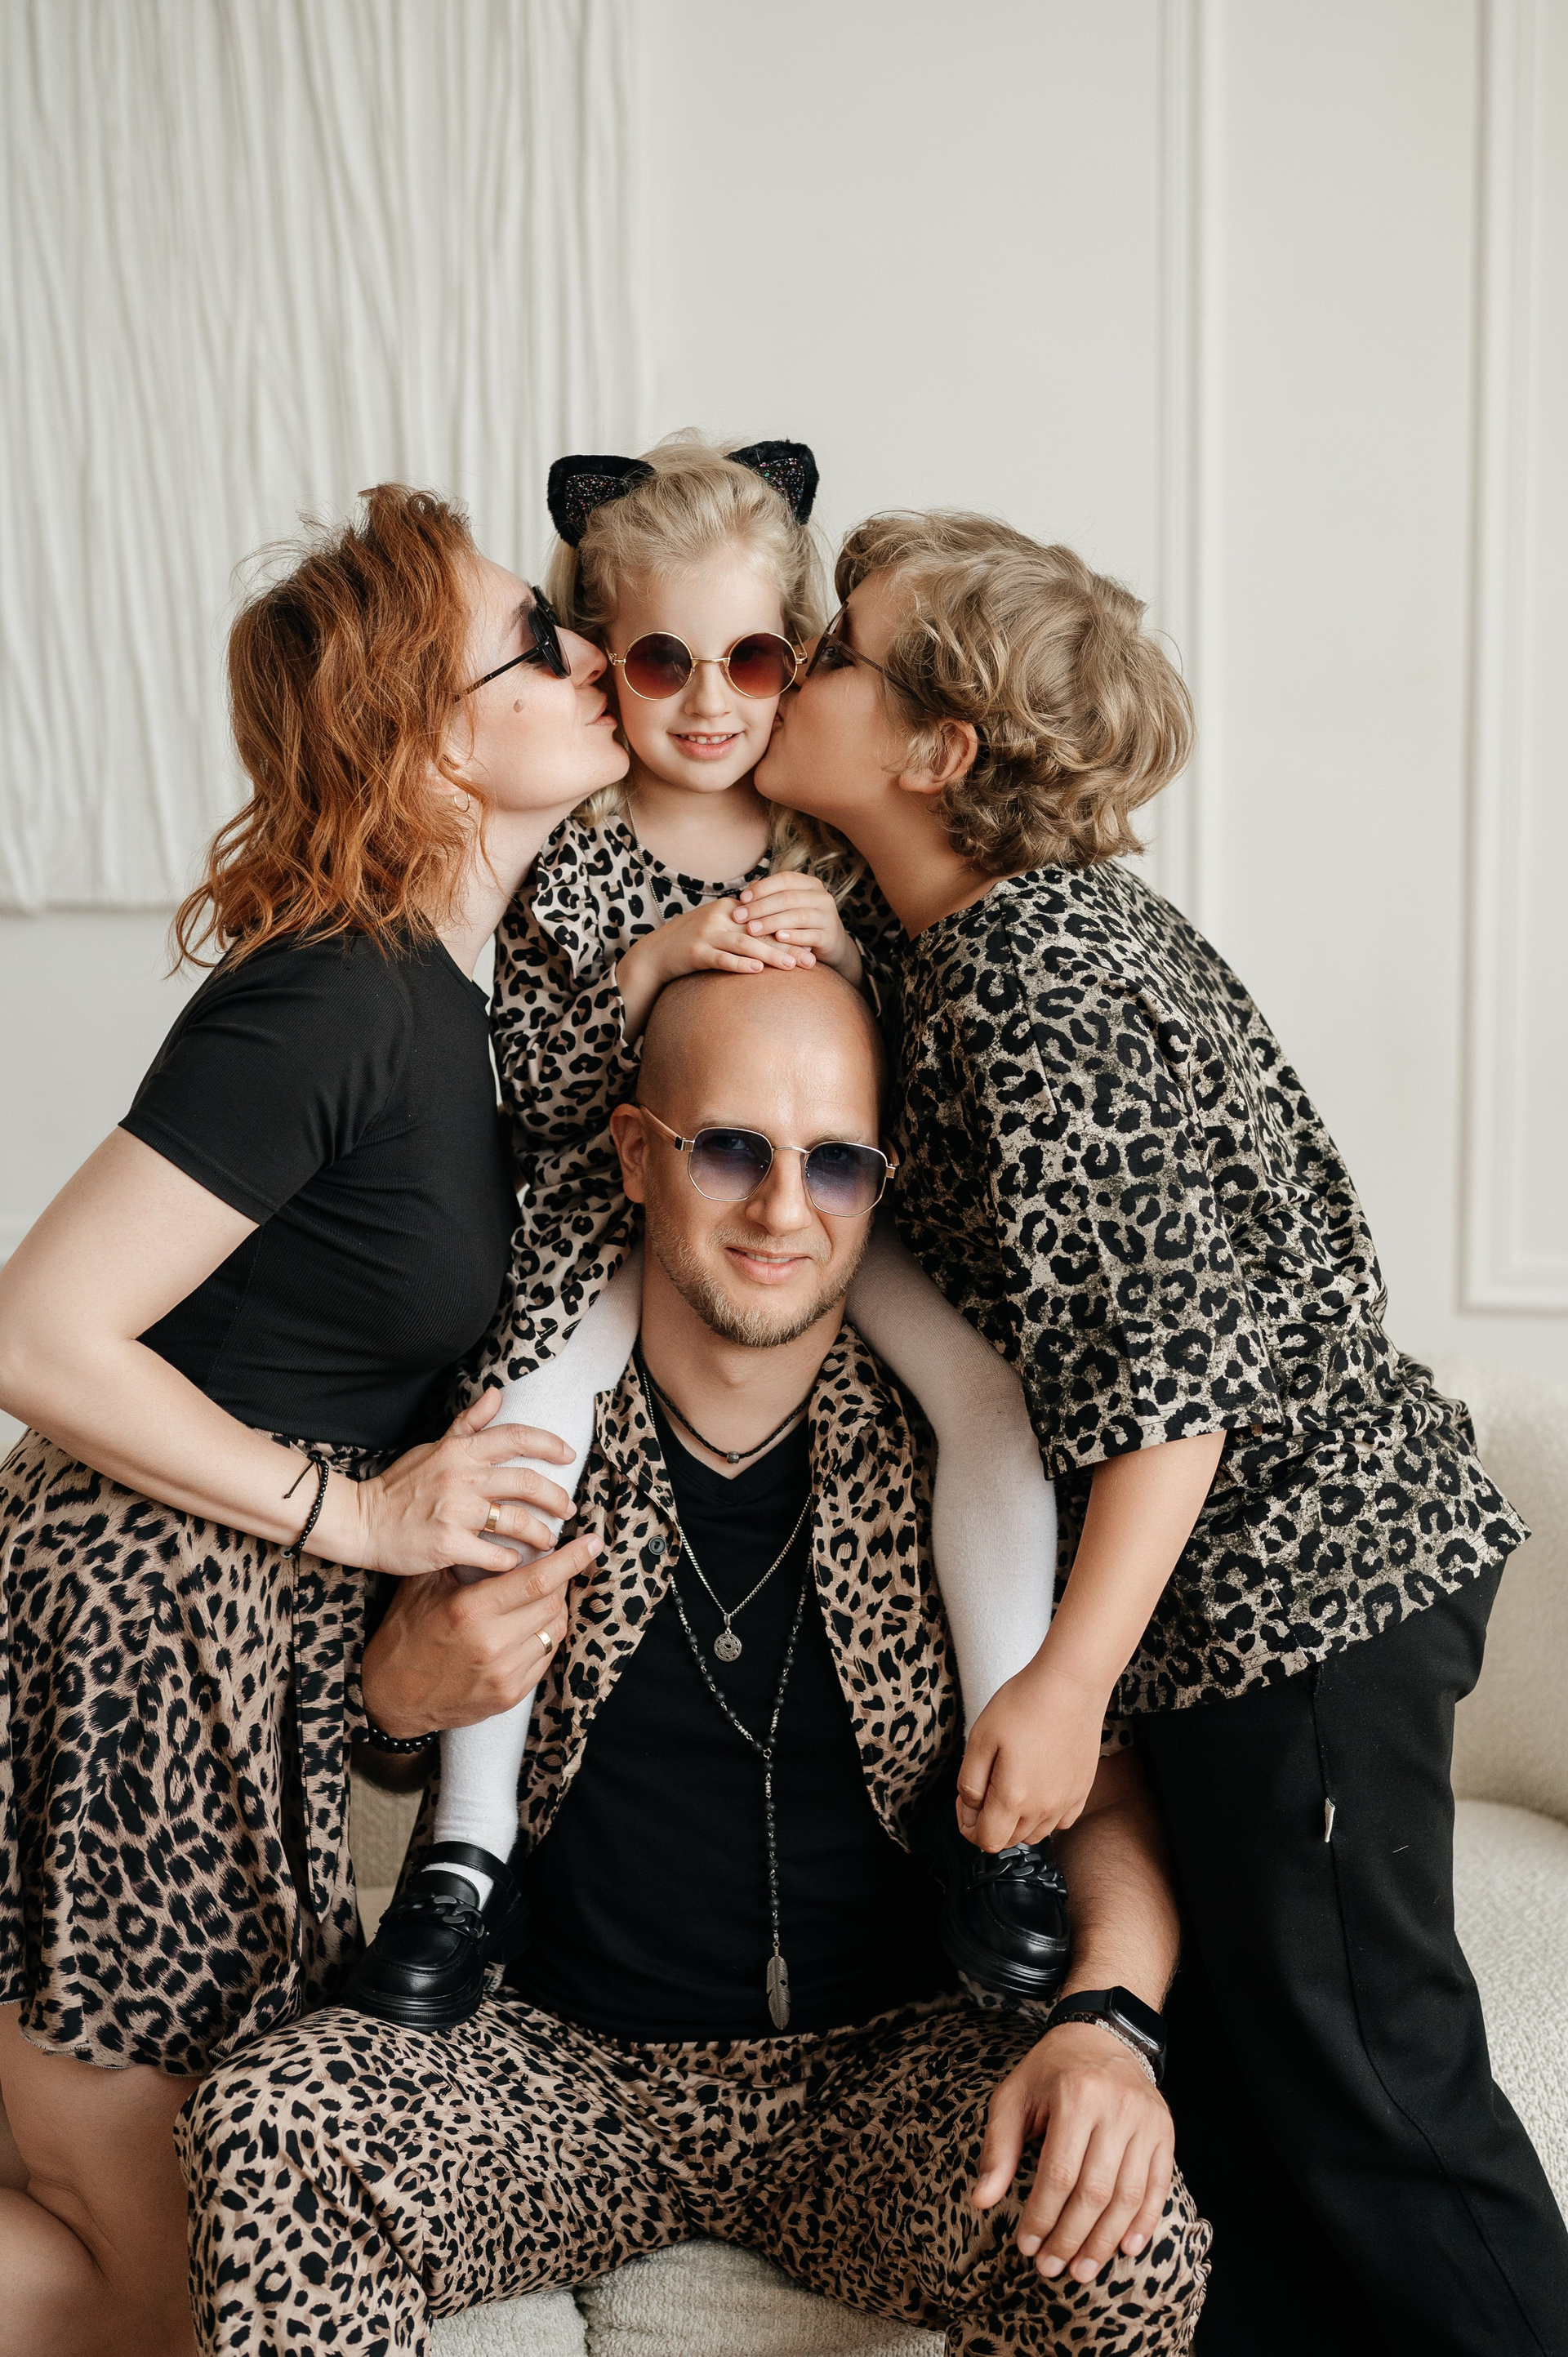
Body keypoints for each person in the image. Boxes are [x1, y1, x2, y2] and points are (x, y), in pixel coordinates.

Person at [753, 511, 1568, 2354]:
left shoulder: (1035, 974)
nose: (795, 666)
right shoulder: (953, 946)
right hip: (1255, 1616)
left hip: (1305, 1602)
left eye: (836, 651)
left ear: (938, 747)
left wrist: (1065, 1684)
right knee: (1257, 2139)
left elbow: (1172, 1383)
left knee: (1377, 2106)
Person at [178, 963, 1211, 2357]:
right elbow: (374, 1739)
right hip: (554, 2064)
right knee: (263, 2127)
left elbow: (1108, 1792)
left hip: (884, 2071)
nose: (783, 1209)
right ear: (635, 1152)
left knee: (1129, 2238)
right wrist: (393, 1696)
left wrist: (1107, 2022)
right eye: (730, 1149)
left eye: (833, 1162)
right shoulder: (502, 1430)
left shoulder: (972, 1471)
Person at [0, 486, 619, 2357]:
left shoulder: (447, 999)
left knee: (161, 2261)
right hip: (135, 1645)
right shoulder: (335, 995)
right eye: (542, 642)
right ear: (433, 736)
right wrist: (361, 1524)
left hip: (220, 1650)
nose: (594, 659)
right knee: (157, 2282)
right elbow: (36, 1330)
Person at [348, 438, 1063, 2025]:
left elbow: (921, 1071)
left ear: (796, 657)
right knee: (522, 1438)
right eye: (663, 661)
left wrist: (851, 968)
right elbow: (524, 1086)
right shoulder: (575, 848)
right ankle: (465, 1848)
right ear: (606, 656)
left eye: (752, 659)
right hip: (614, 1224)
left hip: (821, 1214)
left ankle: (1007, 1822)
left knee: (989, 1399)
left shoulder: (827, 842)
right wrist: (653, 966)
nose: (709, 703)